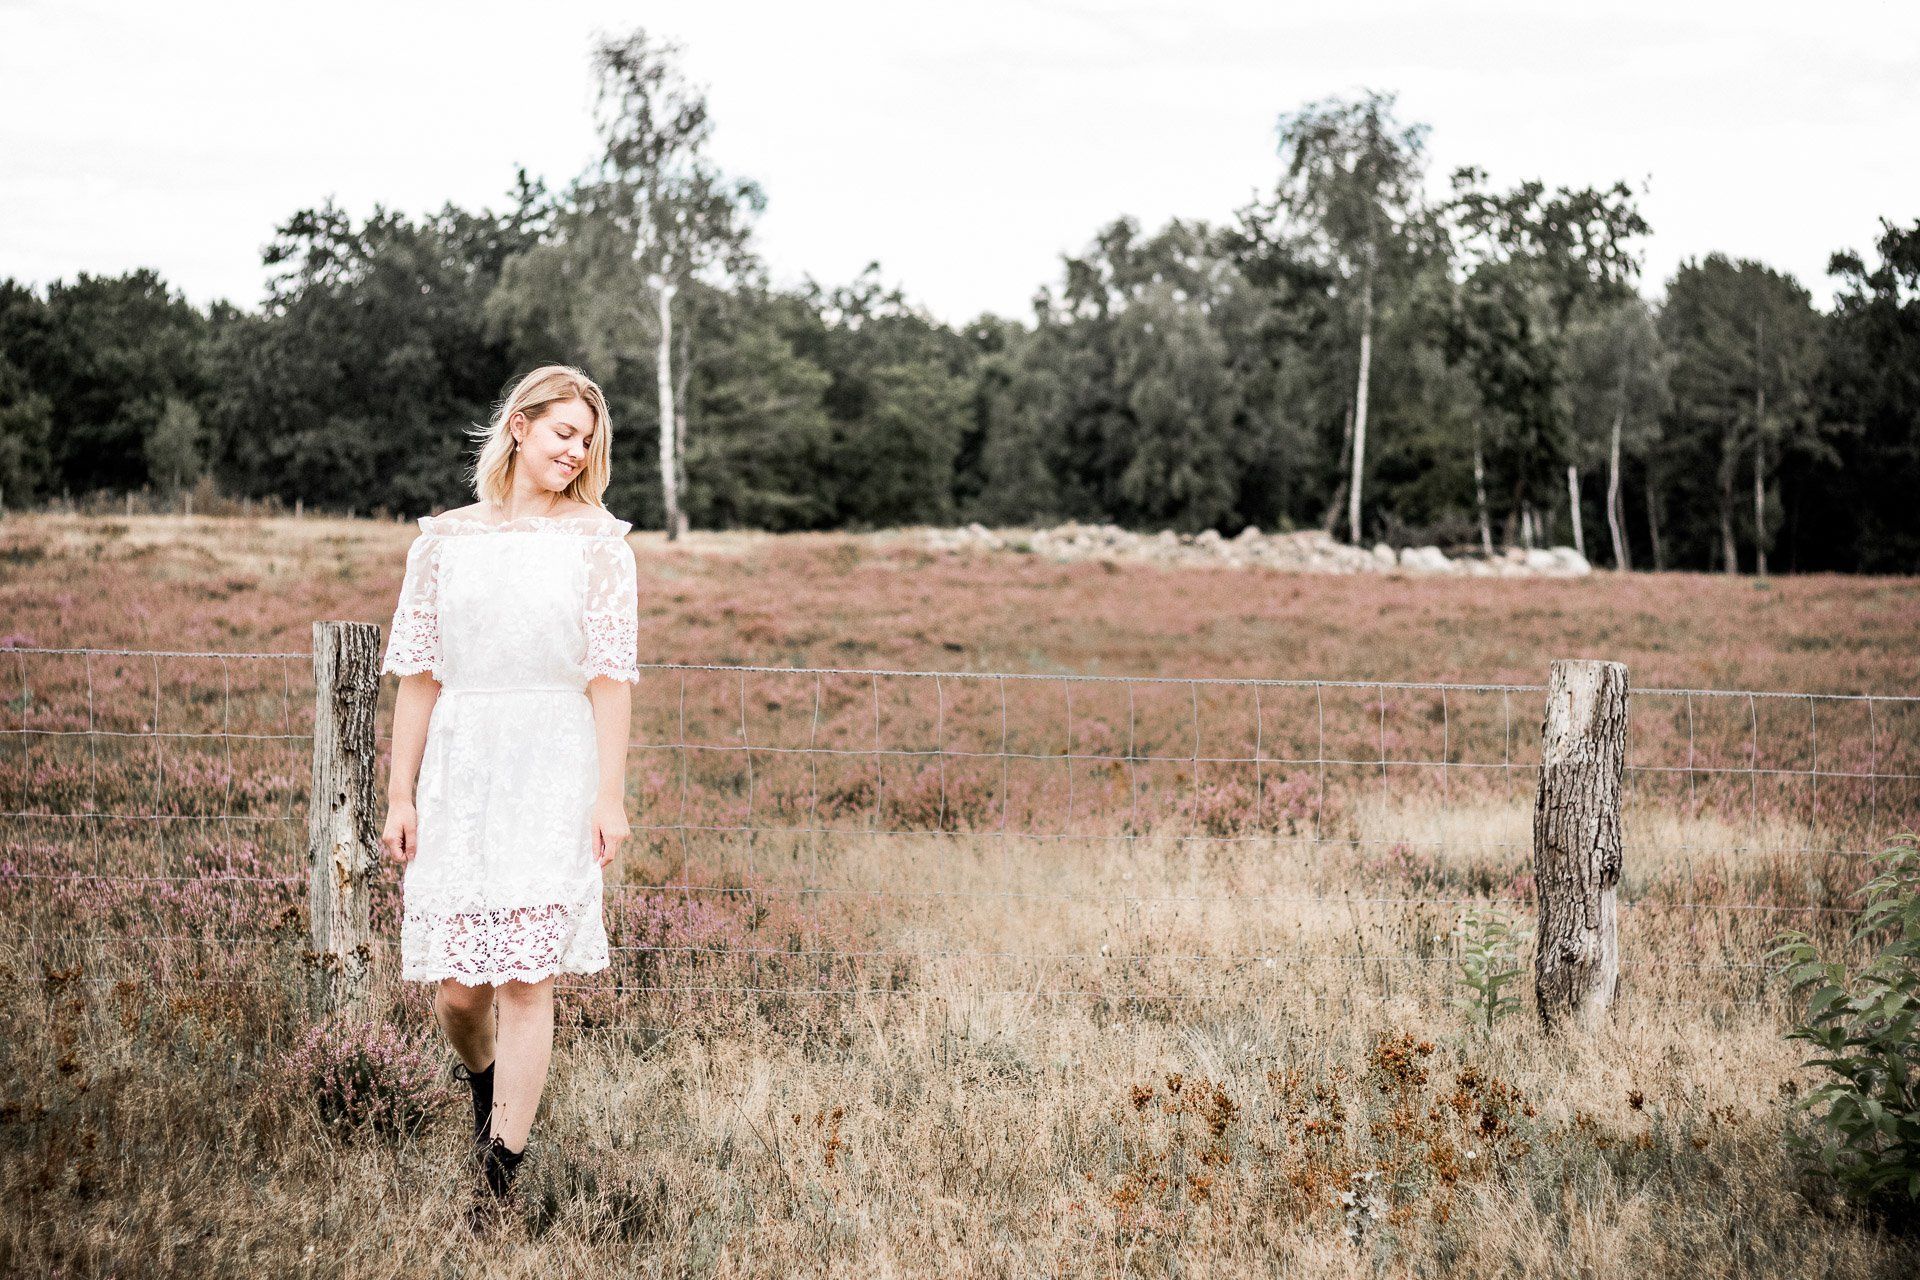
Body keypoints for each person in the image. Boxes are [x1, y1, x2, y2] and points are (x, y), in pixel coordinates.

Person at [376, 364, 639, 1230]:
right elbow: (419, 678)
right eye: (564, 432)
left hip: (553, 763)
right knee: (459, 992)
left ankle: (495, 1182)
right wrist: (401, 795)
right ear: (519, 426)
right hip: (462, 767)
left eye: (588, 440)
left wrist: (609, 797)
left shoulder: (600, 543)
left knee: (527, 976)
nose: (577, 451)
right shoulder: (443, 542)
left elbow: (610, 679)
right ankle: (487, 1085)